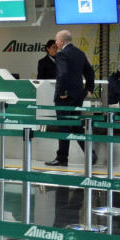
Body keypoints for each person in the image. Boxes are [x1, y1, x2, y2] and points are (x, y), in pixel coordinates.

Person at [46, 30, 96, 167]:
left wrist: (62, 92)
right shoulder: (80, 53)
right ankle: (90, 153)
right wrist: (89, 89)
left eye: (57, 41)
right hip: (78, 95)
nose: (56, 43)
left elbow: (63, 74)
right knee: (75, 125)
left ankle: (62, 158)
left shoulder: (62, 54)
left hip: (65, 97)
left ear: (62, 41)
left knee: (63, 126)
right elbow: (90, 72)